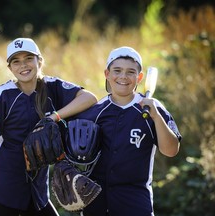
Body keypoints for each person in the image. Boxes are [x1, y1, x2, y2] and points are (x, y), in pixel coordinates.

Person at [0, 37, 97, 216]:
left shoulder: (52, 87)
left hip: (37, 190)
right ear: (10, 68)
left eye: (28, 59)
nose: (23, 66)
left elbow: (89, 98)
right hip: (4, 186)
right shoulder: (4, 94)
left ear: (39, 61)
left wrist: (54, 117)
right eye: (16, 62)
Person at [74, 46, 182, 216]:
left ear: (139, 77)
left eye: (130, 72)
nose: (123, 76)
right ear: (107, 74)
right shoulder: (95, 112)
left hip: (135, 201)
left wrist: (156, 118)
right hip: (96, 200)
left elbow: (171, 150)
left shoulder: (151, 108)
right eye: (117, 70)